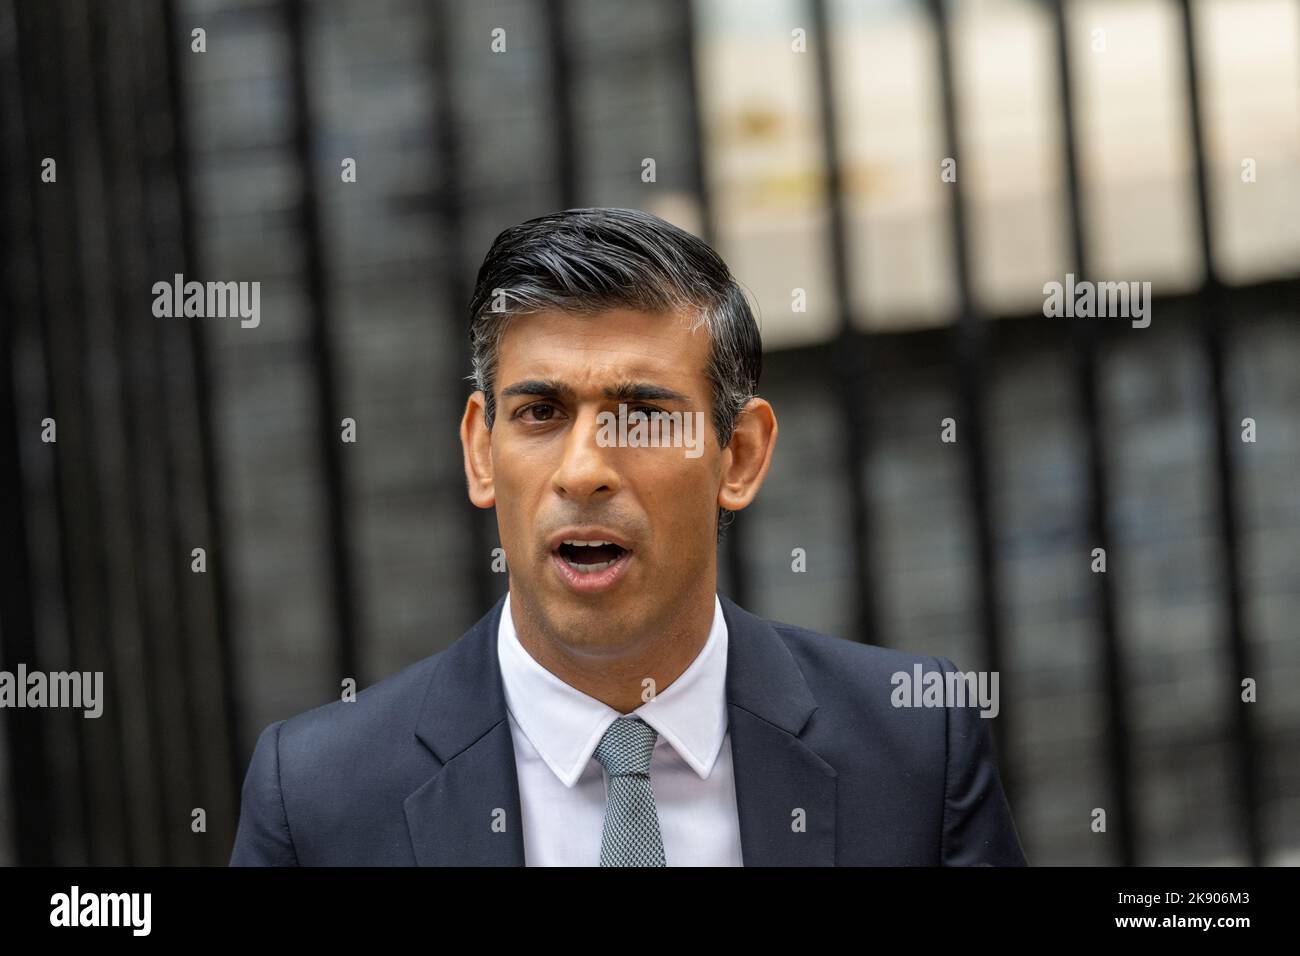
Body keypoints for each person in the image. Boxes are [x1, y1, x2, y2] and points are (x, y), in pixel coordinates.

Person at [230, 207, 1026, 866]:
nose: (583, 471)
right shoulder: (316, 800)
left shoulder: (916, 746)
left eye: (642, 416)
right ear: (481, 451)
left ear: (739, 455)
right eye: (540, 413)